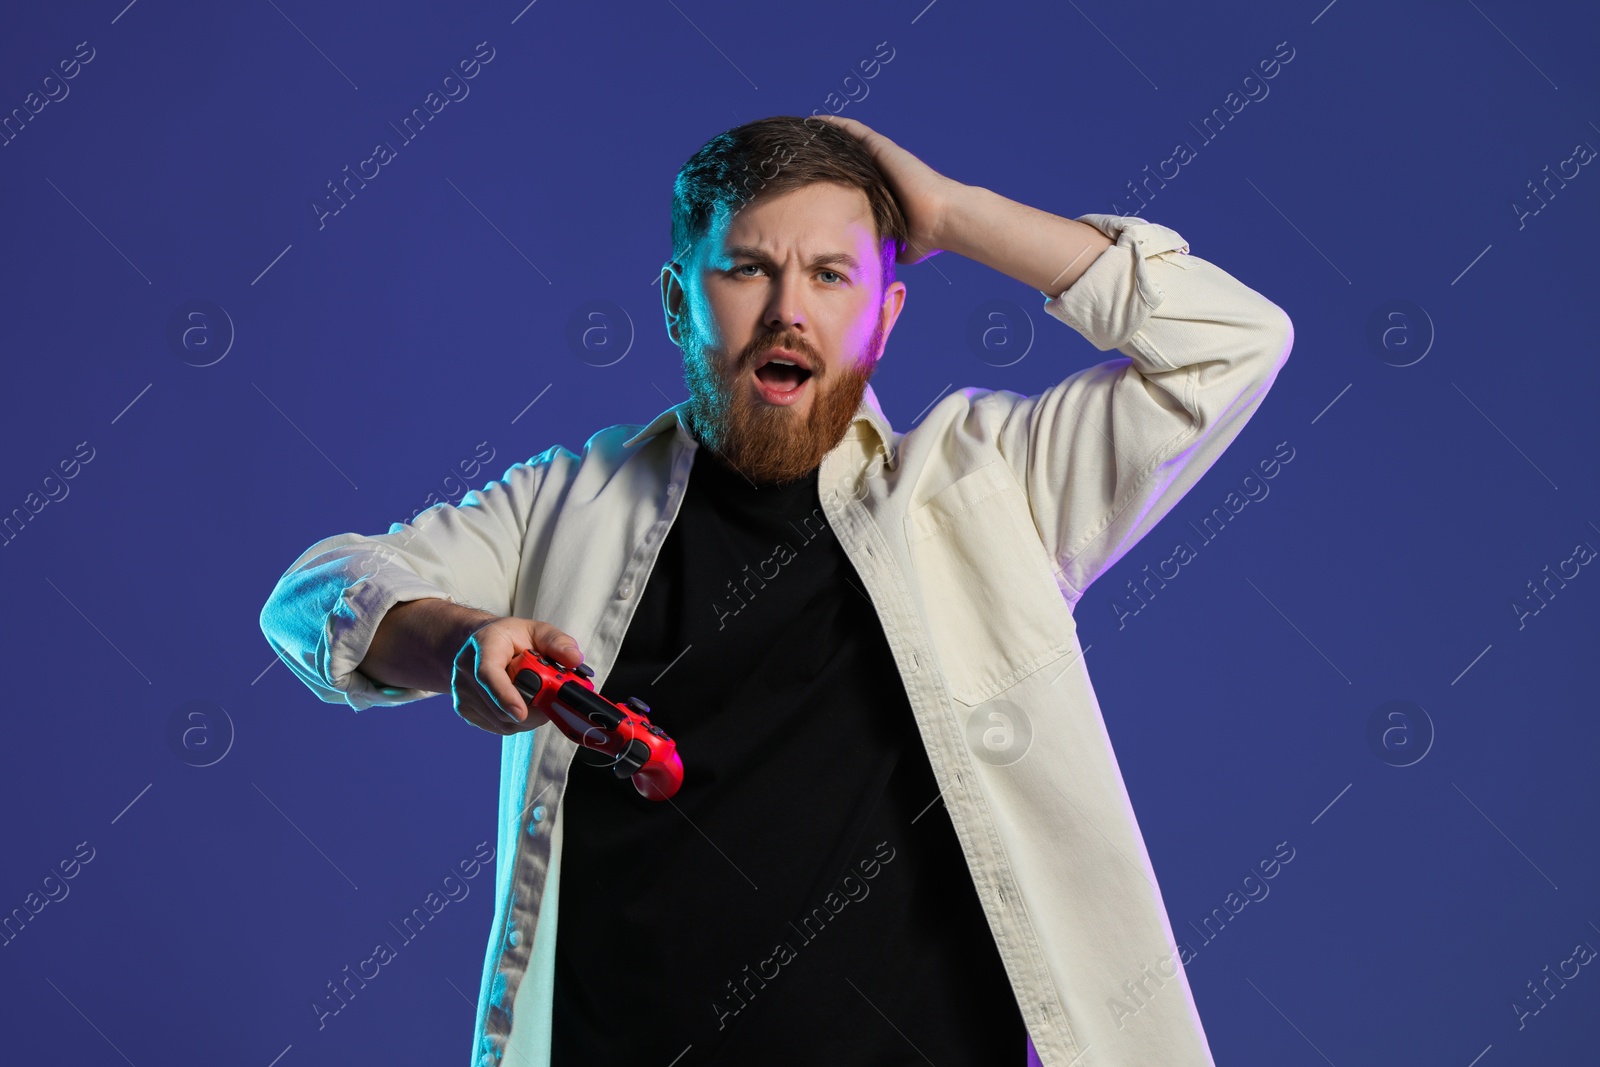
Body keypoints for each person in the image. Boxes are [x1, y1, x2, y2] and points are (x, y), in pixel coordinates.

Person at [259, 113, 1293, 1067]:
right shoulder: (565, 502)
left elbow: (1230, 343)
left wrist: (947, 213)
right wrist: (454, 637)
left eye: (833, 275)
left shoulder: (995, 486)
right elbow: (316, 595)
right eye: (747, 269)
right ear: (676, 301)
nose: (789, 311)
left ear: (885, 314)